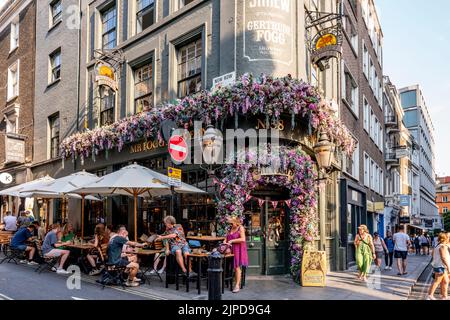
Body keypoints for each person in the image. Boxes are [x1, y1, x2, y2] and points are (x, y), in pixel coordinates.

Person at [224, 216, 249, 293]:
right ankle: (229, 281)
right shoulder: (230, 228)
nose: (231, 224)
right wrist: (224, 242)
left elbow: (243, 239)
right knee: (229, 266)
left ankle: (237, 285)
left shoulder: (240, 228)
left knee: (237, 267)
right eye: (230, 223)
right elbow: (226, 238)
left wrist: (232, 241)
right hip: (230, 249)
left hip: (238, 249)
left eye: (232, 223)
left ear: (236, 222)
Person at [427, 233, 450, 300]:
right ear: (445, 238)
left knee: (446, 281)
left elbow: (432, 254)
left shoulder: (438, 245)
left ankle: (443, 296)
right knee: (437, 281)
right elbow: (443, 257)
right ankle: (430, 295)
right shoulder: (442, 246)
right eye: (447, 237)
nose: (448, 239)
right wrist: (448, 267)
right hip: (441, 267)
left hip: (439, 266)